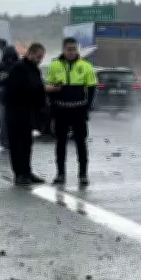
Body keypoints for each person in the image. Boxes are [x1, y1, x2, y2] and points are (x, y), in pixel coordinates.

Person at [46, 37, 97, 187]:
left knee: (81, 143)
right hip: (61, 111)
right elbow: (50, 88)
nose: (72, 52)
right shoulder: (54, 65)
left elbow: (92, 88)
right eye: (69, 49)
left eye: (74, 49)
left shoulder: (86, 65)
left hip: (78, 111)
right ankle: (60, 174)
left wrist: (87, 108)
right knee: (60, 143)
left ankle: (83, 175)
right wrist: (53, 108)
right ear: (63, 49)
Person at [3, 43, 47, 186]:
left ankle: (27, 172)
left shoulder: (35, 70)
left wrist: (41, 107)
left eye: (41, 57)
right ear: (30, 53)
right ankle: (19, 174)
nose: (39, 59)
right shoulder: (18, 68)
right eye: (38, 56)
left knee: (27, 144)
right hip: (16, 112)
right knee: (17, 145)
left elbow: (39, 89)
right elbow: (13, 92)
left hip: (28, 112)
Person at [0, 46, 19, 152]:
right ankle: (4, 142)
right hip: (5, 97)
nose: (10, 59)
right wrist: (1, 79)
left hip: (17, 97)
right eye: (8, 57)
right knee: (4, 122)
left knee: (15, 122)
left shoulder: (18, 65)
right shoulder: (1, 66)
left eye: (11, 57)